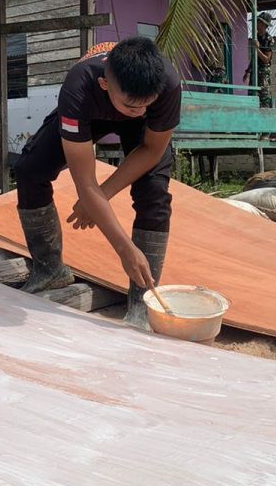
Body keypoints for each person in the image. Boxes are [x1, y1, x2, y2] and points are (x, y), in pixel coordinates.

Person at [12, 37, 180, 330]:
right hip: (91, 111)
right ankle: (50, 269)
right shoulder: (78, 88)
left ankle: (143, 304)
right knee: (30, 170)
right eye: (131, 105)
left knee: (153, 190)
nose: (138, 111)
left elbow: (152, 150)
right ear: (106, 85)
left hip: (144, 131)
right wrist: (125, 250)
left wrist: (102, 195)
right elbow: (84, 183)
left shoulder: (167, 85)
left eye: (146, 105)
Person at [254, 12, 274, 108]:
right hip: (255, 70)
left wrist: (257, 49)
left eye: (259, 22)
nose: (257, 24)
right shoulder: (255, 37)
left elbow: (266, 59)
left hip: (263, 72)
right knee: (253, 95)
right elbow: (253, 58)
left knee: (264, 97)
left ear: (265, 25)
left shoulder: (268, 39)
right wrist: (248, 71)